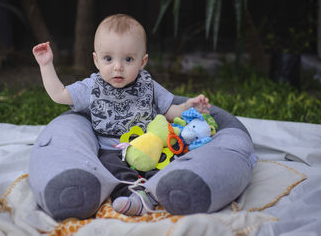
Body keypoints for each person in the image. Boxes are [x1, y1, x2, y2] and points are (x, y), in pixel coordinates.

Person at [32, 14, 211, 216]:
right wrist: (46, 65)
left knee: (167, 161)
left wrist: (189, 106)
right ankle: (135, 196)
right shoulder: (92, 87)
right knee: (111, 169)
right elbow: (59, 95)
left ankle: (167, 188)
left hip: (149, 145)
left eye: (128, 59)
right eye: (108, 59)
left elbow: (170, 111)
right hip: (112, 149)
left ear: (142, 62)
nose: (118, 67)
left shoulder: (148, 85)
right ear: (96, 60)